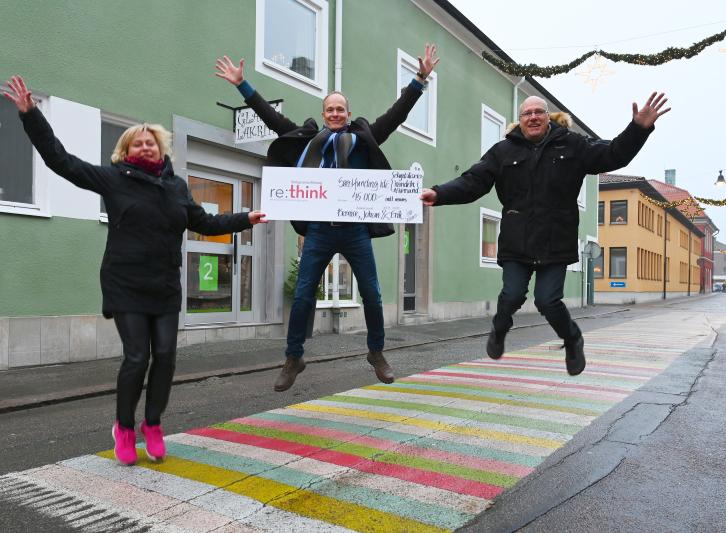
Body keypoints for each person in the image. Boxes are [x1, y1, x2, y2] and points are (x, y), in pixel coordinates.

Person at [3, 75, 268, 465]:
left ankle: (153, 424)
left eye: (151, 141)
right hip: (125, 282)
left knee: (166, 356)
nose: (145, 146)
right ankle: (124, 428)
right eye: (137, 142)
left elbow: (204, 223)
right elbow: (61, 161)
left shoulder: (177, 187)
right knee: (137, 357)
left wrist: (245, 217)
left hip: (164, 284)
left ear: (161, 147)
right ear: (126, 150)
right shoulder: (113, 179)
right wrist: (31, 116)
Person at [215, 44, 440, 392]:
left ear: (348, 113)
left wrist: (420, 80)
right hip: (319, 231)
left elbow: (396, 115)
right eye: (330, 109)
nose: (335, 113)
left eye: (340, 109)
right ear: (324, 114)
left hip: (355, 231)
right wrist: (242, 85)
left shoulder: (363, 138)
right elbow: (271, 118)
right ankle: (293, 357)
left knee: (372, 294)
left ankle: (376, 352)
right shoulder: (308, 141)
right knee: (303, 294)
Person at [420, 92, 671, 375]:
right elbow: (472, 182)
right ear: (520, 120)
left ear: (548, 117)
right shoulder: (503, 151)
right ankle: (499, 329)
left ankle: (572, 339)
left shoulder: (573, 144)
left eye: (539, 112)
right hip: (517, 240)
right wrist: (439, 194)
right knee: (512, 295)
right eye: (527, 114)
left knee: (547, 300)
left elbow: (614, 153)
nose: (533, 117)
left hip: (555, 241)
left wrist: (638, 129)